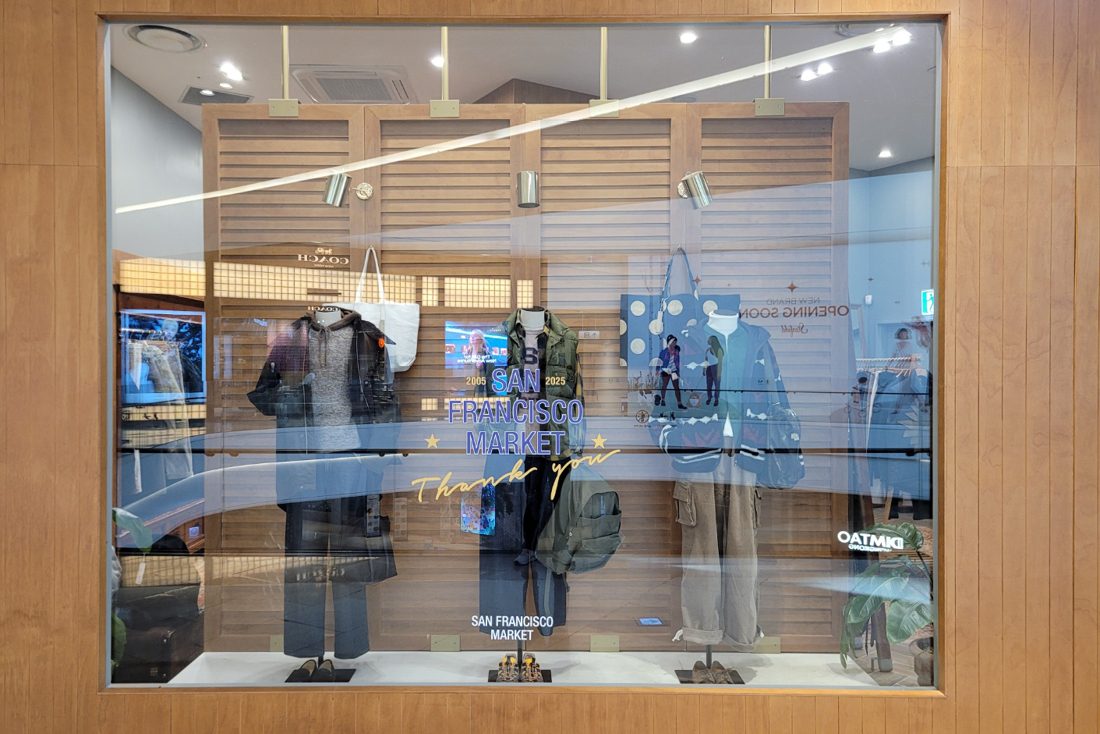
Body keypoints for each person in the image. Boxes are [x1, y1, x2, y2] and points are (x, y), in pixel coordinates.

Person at [655, 334, 686, 409]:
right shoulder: (664, 352)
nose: (675, 343)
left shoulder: (676, 351)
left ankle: (679, 403)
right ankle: (663, 400)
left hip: (674, 371)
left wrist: (678, 371)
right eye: (673, 341)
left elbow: (677, 361)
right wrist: (657, 370)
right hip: (665, 370)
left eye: (675, 342)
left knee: (676, 387)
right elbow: (659, 361)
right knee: (664, 386)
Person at [704, 334, 723, 406]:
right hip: (709, 369)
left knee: (717, 385)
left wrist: (719, 373)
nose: (708, 341)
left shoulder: (719, 350)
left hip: (716, 368)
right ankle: (709, 397)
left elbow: (720, 362)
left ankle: (716, 399)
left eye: (709, 339)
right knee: (709, 385)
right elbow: (706, 361)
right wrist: (704, 369)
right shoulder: (707, 350)